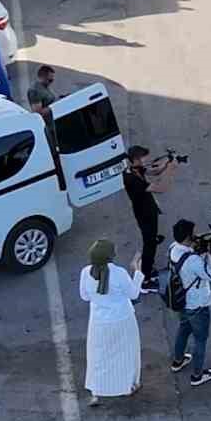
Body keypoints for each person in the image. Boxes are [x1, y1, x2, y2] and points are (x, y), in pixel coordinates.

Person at [79, 239, 142, 406]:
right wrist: (137, 271)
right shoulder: (119, 273)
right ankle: (128, 386)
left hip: (98, 322)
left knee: (97, 356)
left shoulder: (86, 272)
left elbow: (85, 297)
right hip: (122, 320)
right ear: (111, 256)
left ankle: (96, 392)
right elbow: (134, 294)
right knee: (126, 354)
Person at [167, 219, 211, 387]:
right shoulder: (193, 260)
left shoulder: (172, 249)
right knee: (200, 339)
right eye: (194, 234)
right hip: (197, 304)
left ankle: (178, 360)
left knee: (183, 329)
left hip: (181, 301)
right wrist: (210, 255)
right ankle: (197, 375)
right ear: (188, 238)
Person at [122, 145, 175, 290]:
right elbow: (161, 188)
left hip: (147, 210)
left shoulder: (134, 170)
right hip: (145, 214)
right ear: (136, 159)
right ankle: (145, 279)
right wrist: (170, 171)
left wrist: (166, 164)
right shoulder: (133, 179)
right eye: (144, 157)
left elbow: (154, 171)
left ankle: (148, 269)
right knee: (149, 244)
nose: (147, 160)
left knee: (150, 241)